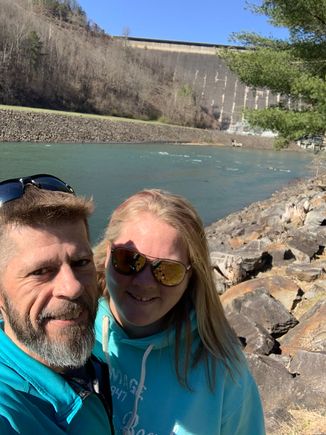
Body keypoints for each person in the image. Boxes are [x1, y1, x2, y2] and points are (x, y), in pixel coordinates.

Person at [93, 188, 265, 435]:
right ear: (107, 255)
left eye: (167, 270)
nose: (144, 282)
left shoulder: (220, 368)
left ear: (190, 277)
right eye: (128, 259)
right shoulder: (72, 332)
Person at [0, 174, 113, 434]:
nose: (73, 288)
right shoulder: (8, 414)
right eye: (41, 271)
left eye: (81, 262)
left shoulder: (97, 352)